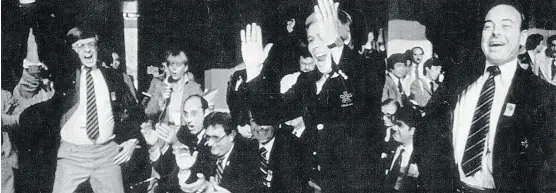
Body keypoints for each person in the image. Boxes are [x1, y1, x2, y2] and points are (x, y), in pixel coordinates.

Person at [239, 0, 382, 191]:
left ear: (344, 37)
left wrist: (335, 46)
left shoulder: (369, 68)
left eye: (323, 36)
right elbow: (268, 115)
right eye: (312, 39)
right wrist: (253, 69)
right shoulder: (308, 82)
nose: (315, 45)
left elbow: (355, 94)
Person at [418, 3, 556, 192]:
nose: (495, 33)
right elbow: (428, 137)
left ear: (522, 37)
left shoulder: (544, 96)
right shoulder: (456, 85)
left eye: (505, 26)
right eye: (488, 26)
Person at [18, 26, 146, 193]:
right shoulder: (65, 78)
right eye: (80, 46)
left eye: (91, 44)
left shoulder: (113, 77)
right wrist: (32, 62)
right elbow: (28, 90)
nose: (87, 50)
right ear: (72, 51)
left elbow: (135, 110)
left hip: (107, 155)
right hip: (73, 156)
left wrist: (133, 140)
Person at [179, 112, 261, 193]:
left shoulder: (248, 157)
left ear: (231, 136)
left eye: (216, 137)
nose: (210, 143)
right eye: (208, 137)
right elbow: (191, 184)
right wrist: (185, 170)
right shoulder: (205, 150)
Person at [249, 110, 305, 193]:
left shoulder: (294, 150)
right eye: (254, 121)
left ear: (276, 124)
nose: (260, 127)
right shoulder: (244, 151)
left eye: (264, 121)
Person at [380, 108, 423, 192]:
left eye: (399, 125)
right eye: (394, 123)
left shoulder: (420, 156)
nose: (394, 128)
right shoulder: (390, 146)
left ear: (412, 131)